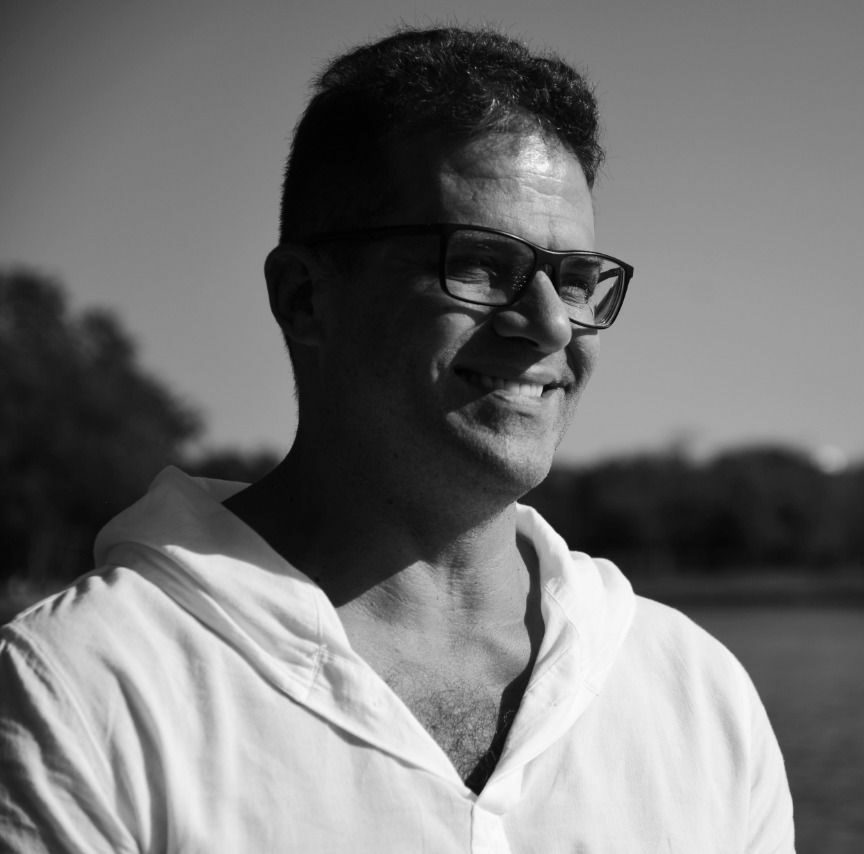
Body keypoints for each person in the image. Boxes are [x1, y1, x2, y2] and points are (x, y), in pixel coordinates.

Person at [0, 25, 794, 853]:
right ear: (305, 297)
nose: (551, 325)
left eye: (575, 279)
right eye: (481, 263)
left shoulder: (697, 695)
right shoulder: (79, 691)